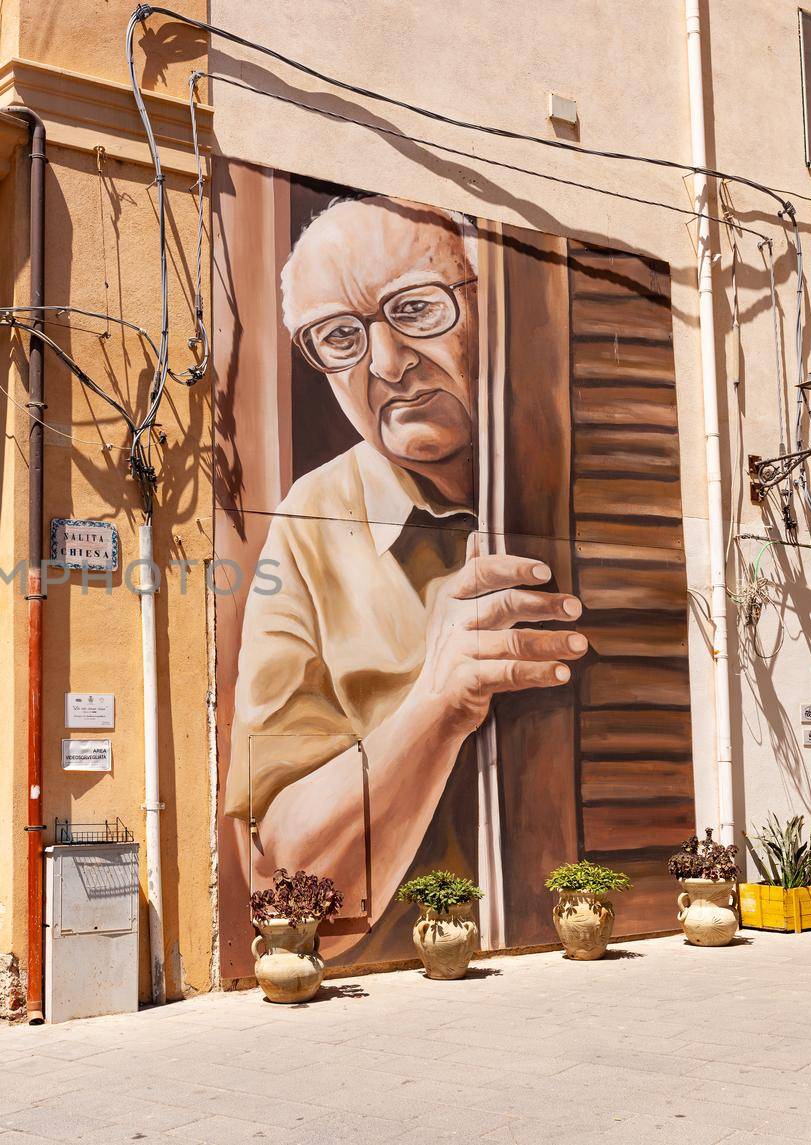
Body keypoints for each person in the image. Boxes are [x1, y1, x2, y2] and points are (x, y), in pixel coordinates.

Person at [225, 194, 589, 956]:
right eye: (339, 336)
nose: (387, 365)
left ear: (487, 305)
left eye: (416, 309)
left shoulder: (587, 470)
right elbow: (282, 884)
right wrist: (436, 707)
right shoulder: (308, 524)